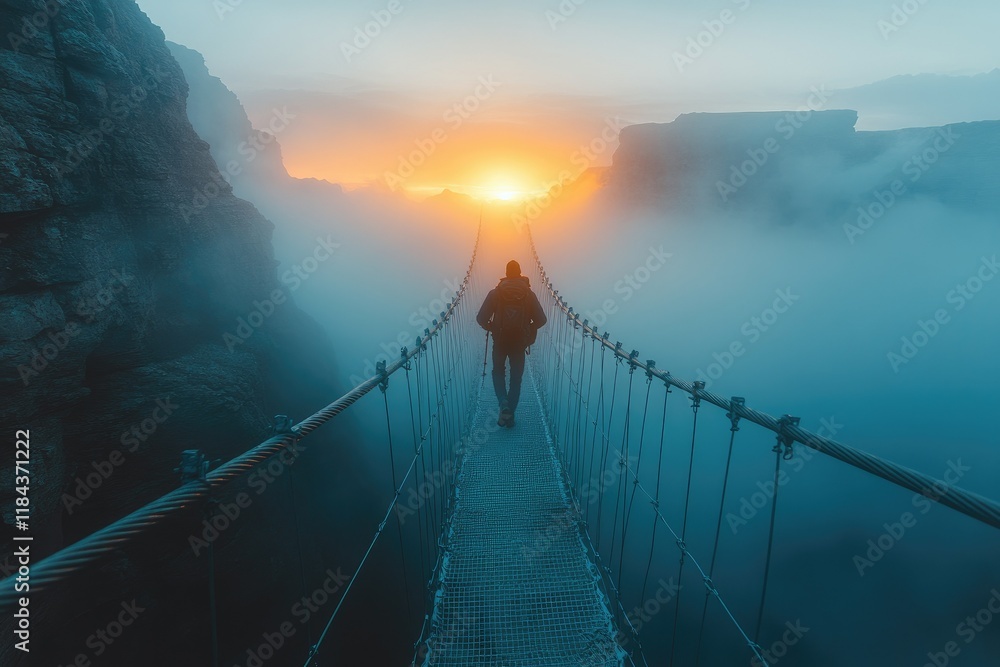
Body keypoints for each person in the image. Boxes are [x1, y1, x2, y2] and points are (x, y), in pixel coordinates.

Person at [477, 260, 547, 428]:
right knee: (516, 379)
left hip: (500, 341)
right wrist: (528, 329)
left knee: (498, 372)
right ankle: (510, 416)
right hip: (519, 342)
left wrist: (492, 327)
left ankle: (503, 403)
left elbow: (480, 318)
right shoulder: (529, 294)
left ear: (506, 274)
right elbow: (541, 320)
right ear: (521, 273)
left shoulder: (495, 293)